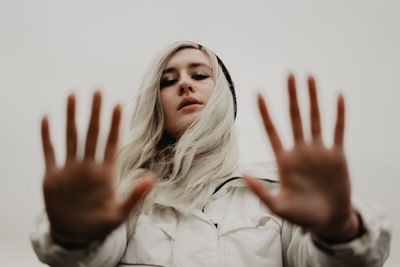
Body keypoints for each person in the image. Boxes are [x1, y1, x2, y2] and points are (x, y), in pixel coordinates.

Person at [31, 41, 391, 267]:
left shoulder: (276, 193)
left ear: (223, 97)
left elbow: (322, 259)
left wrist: (340, 231)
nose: (184, 83)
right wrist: (74, 236)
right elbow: (94, 254)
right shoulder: (129, 197)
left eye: (199, 74)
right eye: (168, 81)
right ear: (156, 106)